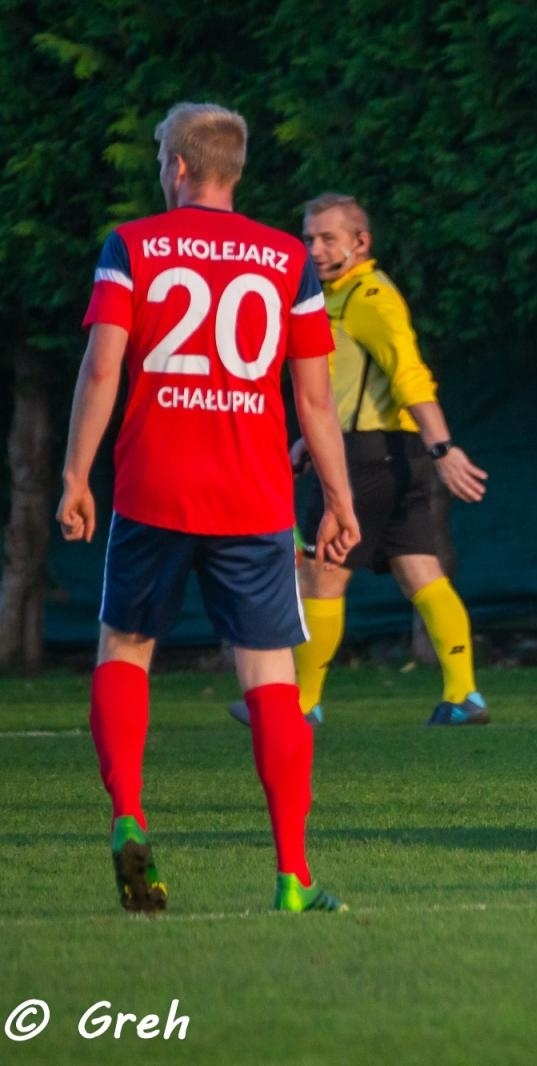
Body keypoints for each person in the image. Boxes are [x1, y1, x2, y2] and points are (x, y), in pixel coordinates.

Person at [57, 102, 360, 913]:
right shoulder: (287, 257)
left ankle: (128, 818)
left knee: (125, 646)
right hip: (252, 495)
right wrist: (338, 497)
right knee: (268, 675)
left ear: (181, 168)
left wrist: (76, 476)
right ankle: (292, 874)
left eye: (163, 153)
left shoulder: (133, 245)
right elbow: (315, 399)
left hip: (154, 487)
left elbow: (100, 372)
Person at [226, 193, 490, 728]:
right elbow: (350, 388)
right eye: (309, 237)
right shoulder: (337, 296)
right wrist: (309, 440)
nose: (315, 248)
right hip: (391, 454)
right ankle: (464, 697)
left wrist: (444, 447)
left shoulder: (371, 296)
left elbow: (410, 373)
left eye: (328, 238)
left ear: (360, 242)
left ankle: (299, 705)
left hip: (366, 458)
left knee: (322, 576)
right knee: (421, 571)